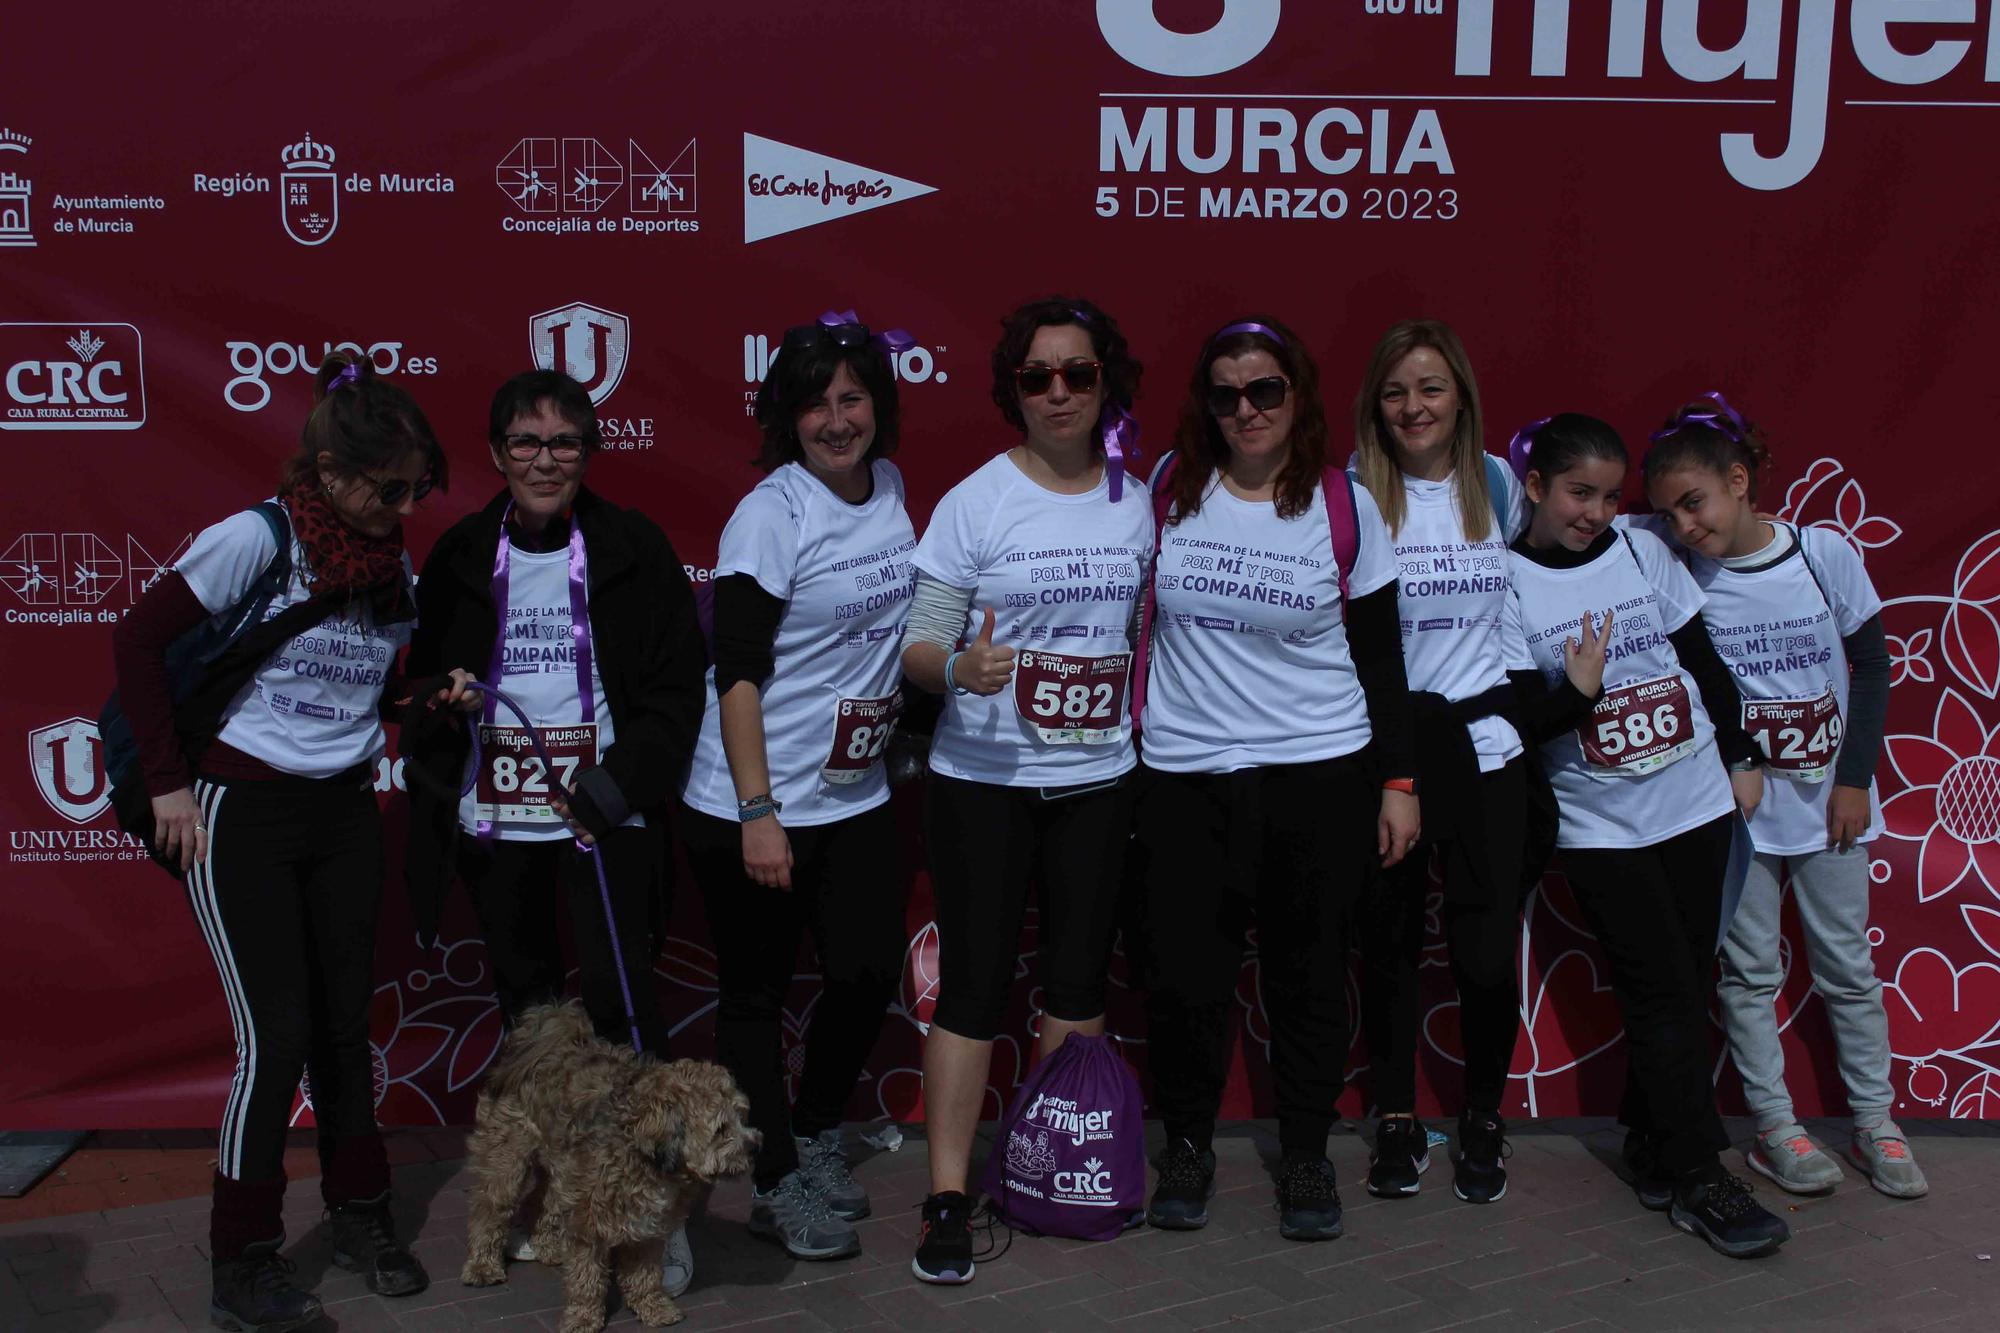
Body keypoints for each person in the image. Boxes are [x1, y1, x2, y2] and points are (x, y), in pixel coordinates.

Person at [111, 351, 451, 1330]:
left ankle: (362, 1217)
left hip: (341, 811)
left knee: (346, 1028)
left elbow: (369, 692)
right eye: (388, 486)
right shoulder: (254, 539)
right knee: (275, 1038)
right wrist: (171, 786)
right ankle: (242, 1261)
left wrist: (428, 695)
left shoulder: (391, 568)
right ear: (332, 471)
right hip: (239, 811)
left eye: (418, 486)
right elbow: (136, 640)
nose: (404, 504)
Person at [401, 368, 707, 1287]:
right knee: (531, 1025)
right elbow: (418, 689)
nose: (545, 460)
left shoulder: (633, 547)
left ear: (588, 453)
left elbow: (670, 693)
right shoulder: (458, 552)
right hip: (499, 825)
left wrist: (613, 788)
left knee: (622, 1009)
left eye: (564, 442)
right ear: (496, 455)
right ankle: (561, 1197)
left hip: (601, 820)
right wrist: (440, 703)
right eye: (526, 444)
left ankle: (658, 1212)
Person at [1130, 317, 1420, 1243]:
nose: (1245, 409)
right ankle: (1187, 1147)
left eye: (1264, 390)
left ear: (1298, 396)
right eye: (1225, 393)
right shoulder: (1170, 488)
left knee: (1308, 979)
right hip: (1185, 774)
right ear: (1204, 405)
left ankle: (1305, 1153)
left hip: (1318, 772)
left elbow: (1382, 659)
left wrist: (1398, 780)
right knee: (1186, 980)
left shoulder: (1344, 504)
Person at [899, 297, 1152, 1284]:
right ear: (1013, 388)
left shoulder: (1138, 497)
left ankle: (1056, 1170)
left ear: (1104, 384)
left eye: (1076, 373)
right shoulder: (975, 501)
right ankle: (948, 1198)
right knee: (970, 990)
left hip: (1098, 780)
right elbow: (917, 643)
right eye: (1037, 375)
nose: (1057, 391)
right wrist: (955, 670)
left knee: (1077, 988)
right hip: (983, 784)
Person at [1504, 412, 1790, 1258]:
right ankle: (1702, 1175)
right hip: (1604, 829)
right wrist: (1580, 691)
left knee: (1684, 983)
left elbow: (1701, 658)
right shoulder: (1511, 583)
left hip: (1699, 805)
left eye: (1607, 494)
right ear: (1535, 487)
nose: (1594, 511)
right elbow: (1522, 721)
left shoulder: (1641, 550)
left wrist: (1738, 750)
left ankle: (1651, 1140)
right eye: (1576, 492)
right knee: (1660, 995)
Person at [679, 314, 917, 1261]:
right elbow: (736, 672)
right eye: (815, 403)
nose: (835, 419)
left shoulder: (891, 488)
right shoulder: (770, 515)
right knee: (756, 995)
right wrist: (758, 811)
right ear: (787, 414)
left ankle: (816, 1130)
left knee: (863, 971)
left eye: (852, 398)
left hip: (854, 790)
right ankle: (775, 1181)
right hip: (754, 797)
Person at [1642, 395, 1922, 1199]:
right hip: (1742, 824)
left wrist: (1854, 779)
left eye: (1695, 503)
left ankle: (1877, 1122)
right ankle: (1776, 1128)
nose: (1686, 525)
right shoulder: (1680, 575)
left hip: (1828, 811)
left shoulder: (1821, 554)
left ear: (1739, 481)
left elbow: (1871, 666)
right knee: (1749, 975)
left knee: (1848, 970)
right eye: (1669, 513)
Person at [1347, 318, 1550, 1204]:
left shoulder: (1498, 484)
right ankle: (1396, 1115)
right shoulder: (1353, 492)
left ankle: (1482, 1115)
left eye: (1429, 388)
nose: (1412, 406)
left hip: (1487, 747)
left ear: (1460, 395)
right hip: (1390, 752)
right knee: (1387, 944)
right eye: (1395, 391)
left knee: (1482, 949)